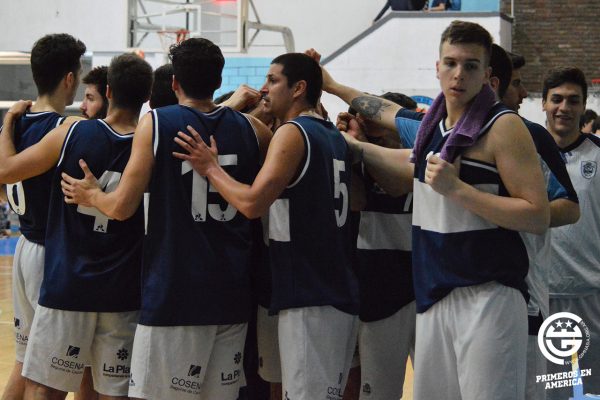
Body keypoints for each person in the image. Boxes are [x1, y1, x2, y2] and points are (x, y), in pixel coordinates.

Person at [313, 20, 550, 400]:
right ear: (437, 68)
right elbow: (392, 126)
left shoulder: (504, 126)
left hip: (487, 295)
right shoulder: (433, 128)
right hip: (435, 291)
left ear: (487, 75)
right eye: (451, 63)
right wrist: (333, 93)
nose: (459, 74)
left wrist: (459, 190)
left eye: (471, 65)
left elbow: (537, 216)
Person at [61, 37, 271, 400]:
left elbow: (122, 207)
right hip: (232, 295)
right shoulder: (255, 131)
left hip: (176, 293)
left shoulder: (157, 122)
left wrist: (91, 195)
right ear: (219, 80)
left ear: (174, 83)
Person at [160, 52, 360, 400]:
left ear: (298, 88)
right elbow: (358, 199)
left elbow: (252, 204)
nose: (264, 88)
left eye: (273, 80)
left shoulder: (293, 133)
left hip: (309, 293)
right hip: (335, 289)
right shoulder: (332, 135)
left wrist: (210, 168)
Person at [0, 52, 152, 400]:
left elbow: (6, 170)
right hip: (122, 287)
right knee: (112, 392)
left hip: (68, 282)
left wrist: (9, 122)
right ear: (146, 97)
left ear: (109, 91)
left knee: (42, 386)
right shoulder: (151, 144)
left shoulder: (71, 131)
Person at [489, 44, 580, 400]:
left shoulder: (531, 136)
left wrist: (521, 213)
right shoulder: (447, 134)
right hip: (467, 295)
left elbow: (569, 208)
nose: (523, 93)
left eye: (573, 100)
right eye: (516, 84)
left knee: (564, 387)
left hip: (534, 295)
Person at [0, 33, 86, 400]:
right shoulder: (62, 130)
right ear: (69, 79)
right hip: (51, 255)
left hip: (25, 245)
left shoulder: (13, 126)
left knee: (25, 362)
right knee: (49, 375)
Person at [345, 92, 417, 400]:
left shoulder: (428, 157)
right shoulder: (360, 159)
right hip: (380, 286)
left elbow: (397, 183)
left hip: (430, 286)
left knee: (441, 388)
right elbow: (357, 201)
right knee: (378, 392)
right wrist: (354, 148)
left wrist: (363, 145)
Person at [542, 67, 600, 398]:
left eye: (573, 100)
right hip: (542, 293)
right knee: (550, 389)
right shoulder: (525, 152)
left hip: (592, 292)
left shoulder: (598, 154)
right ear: (544, 104)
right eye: (557, 99)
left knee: (595, 388)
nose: (564, 107)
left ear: (584, 105)